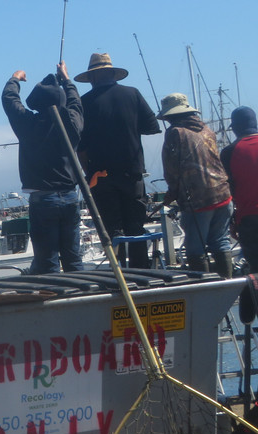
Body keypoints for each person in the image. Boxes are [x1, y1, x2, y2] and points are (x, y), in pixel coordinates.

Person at [75, 53, 161, 268]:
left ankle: (119, 274)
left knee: (111, 230)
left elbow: (81, 147)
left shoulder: (83, 103)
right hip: (131, 174)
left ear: (92, 78)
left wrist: (89, 173)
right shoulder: (132, 94)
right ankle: (142, 274)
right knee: (136, 228)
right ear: (113, 74)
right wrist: (128, 127)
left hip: (100, 177)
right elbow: (152, 127)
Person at [1, 63, 85, 274]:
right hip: (70, 196)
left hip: (43, 199)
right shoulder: (73, 123)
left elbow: (10, 100)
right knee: (73, 260)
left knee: (48, 262)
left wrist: (15, 78)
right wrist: (66, 79)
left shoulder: (29, 124)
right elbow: (75, 102)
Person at [158, 93, 233, 276]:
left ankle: (204, 292)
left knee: (195, 249)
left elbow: (172, 169)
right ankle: (226, 287)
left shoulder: (175, 132)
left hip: (198, 201)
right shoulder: (207, 129)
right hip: (223, 194)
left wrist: (171, 193)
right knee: (220, 242)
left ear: (170, 116)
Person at [222, 107, 258, 274]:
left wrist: (232, 221)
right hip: (248, 218)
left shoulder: (228, 152)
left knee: (255, 270)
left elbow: (227, 189)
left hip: (249, 218)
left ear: (235, 128)